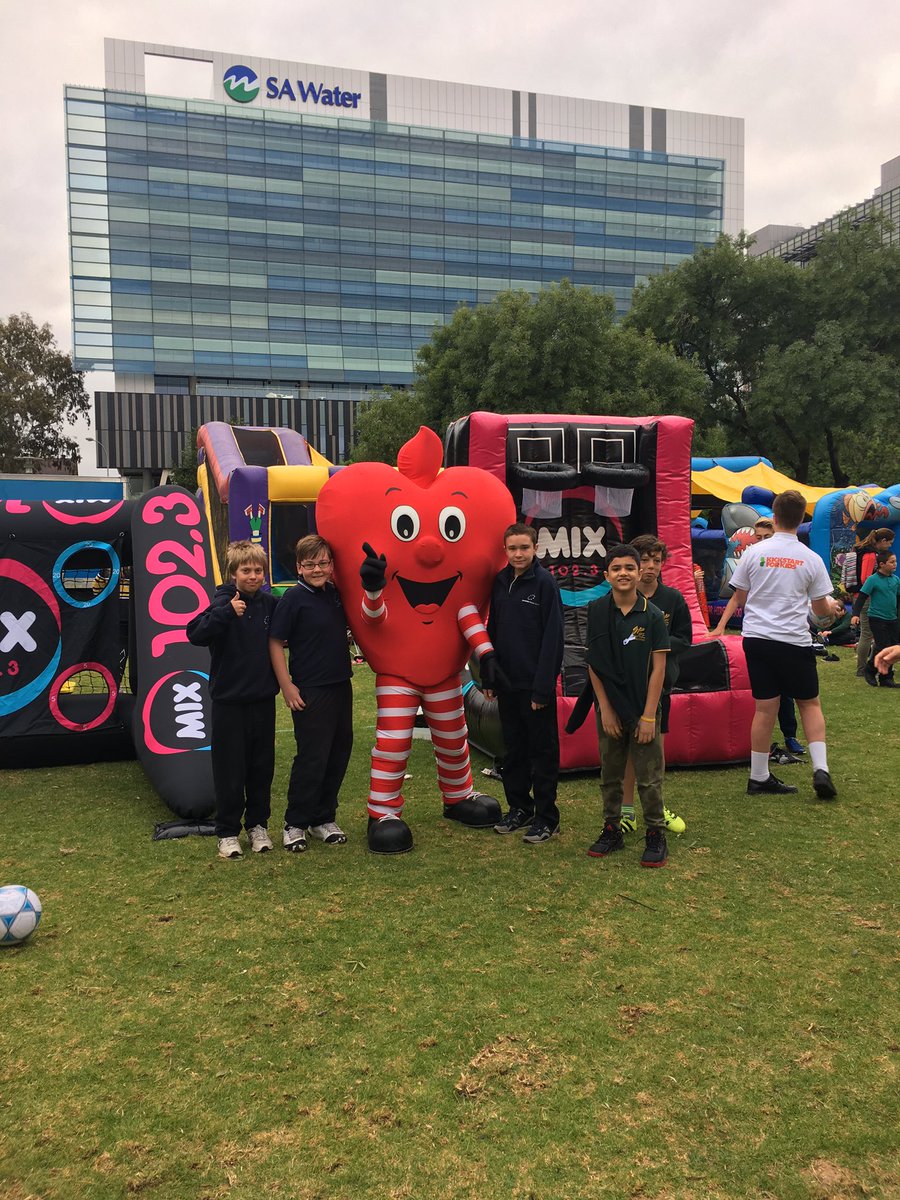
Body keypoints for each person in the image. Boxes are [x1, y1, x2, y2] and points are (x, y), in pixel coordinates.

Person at [728, 490, 844, 800]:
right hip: (793, 641)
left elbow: (740, 596)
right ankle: (821, 769)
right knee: (809, 704)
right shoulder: (811, 558)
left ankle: (758, 776)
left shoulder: (753, 552)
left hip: (757, 639)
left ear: (774, 516)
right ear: (802, 518)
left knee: (765, 709)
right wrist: (830, 609)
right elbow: (819, 610)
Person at [186, 540, 279, 859]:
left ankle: (258, 826)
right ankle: (227, 832)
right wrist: (226, 613)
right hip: (228, 703)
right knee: (230, 770)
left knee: (261, 767)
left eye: (258, 571)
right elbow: (194, 633)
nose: (253, 576)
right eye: (246, 570)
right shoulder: (223, 603)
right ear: (233, 574)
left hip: (262, 700)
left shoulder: (269, 604)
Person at [584, 544, 671, 867]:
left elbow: (659, 669)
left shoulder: (653, 615)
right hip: (610, 708)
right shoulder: (596, 610)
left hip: (643, 708)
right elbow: (594, 663)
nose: (623, 573)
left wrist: (648, 716)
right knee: (611, 772)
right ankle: (612, 828)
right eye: (616, 568)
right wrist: (605, 708)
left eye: (629, 568)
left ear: (639, 572)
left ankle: (655, 833)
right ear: (606, 575)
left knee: (648, 775)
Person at [268, 534, 353, 852]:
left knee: (338, 752)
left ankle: (323, 818)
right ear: (299, 567)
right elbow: (275, 642)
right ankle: (295, 823)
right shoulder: (293, 599)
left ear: (331, 565)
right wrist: (286, 685)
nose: (317, 569)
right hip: (310, 689)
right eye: (310, 564)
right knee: (312, 757)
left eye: (323, 563)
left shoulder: (334, 594)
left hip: (340, 684)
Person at [484, 523, 564, 844]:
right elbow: (493, 629)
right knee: (513, 750)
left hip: (535, 688)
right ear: (504, 550)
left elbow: (553, 639)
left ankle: (547, 817)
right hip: (507, 684)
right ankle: (520, 808)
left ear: (535, 549)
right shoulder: (500, 581)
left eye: (524, 548)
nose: (518, 554)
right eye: (512, 548)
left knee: (542, 752)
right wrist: (490, 676)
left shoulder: (545, 583)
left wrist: (542, 688)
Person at [707, 516, 806, 758]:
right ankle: (761, 741)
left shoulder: (788, 560)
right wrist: (720, 626)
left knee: (786, 690)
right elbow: (736, 597)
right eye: (758, 537)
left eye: (766, 537)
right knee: (761, 691)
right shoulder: (752, 559)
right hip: (758, 633)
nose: (762, 541)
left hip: (784, 633)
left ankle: (790, 735)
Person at [617, 534, 691, 834]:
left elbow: (684, 639)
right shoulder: (619, 596)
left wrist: (655, 646)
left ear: (663, 564)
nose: (650, 566)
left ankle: (656, 806)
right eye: (644, 560)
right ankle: (626, 811)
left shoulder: (673, 599)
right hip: (625, 686)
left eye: (656, 561)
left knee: (655, 749)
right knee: (628, 750)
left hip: (659, 687)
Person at [842, 528, 894, 677]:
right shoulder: (870, 554)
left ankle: (870, 665)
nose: (890, 546)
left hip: (860, 595)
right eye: (890, 543)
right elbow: (866, 578)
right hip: (865, 597)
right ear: (883, 541)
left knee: (871, 633)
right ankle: (862, 668)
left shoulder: (861, 551)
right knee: (867, 634)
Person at [851, 550, 900, 687]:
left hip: (892, 618)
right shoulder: (872, 580)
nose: (895, 564)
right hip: (877, 618)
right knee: (883, 646)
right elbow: (861, 597)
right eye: (892, 562)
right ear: (882, 564)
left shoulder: (896, 580)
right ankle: (870, 669)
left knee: (893, 648)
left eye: (895, 561)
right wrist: (855, 614)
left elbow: (898, 599)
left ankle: (886, 679)